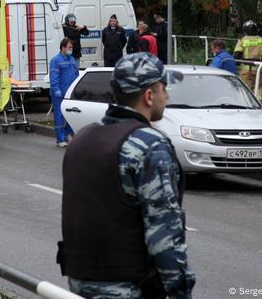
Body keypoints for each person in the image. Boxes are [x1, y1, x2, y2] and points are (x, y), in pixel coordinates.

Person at [58, 52, 195, 298]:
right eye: (164, 88)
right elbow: (164, 234)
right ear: (149, 96)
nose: (168, 95)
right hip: (128, 287)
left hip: (79, 282)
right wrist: (180, 290)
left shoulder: (82, 138)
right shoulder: (149, 145)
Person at [49, 38, 79, 147]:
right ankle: (60, 139)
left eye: (72, 47)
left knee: (73, 116)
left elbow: (76, 75)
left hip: (70, 93)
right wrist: (56, 89)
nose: (71, 49)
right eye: (69, 47)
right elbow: (54, 77)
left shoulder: (72, 59)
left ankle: (66, 133)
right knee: (60, 117)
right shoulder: (56, 60)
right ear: (63, 48)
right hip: (59, 94)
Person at [233, 20, 262, 98]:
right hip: (258, 68)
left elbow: (236, 55)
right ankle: (259, 105)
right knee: (259, 88)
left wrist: (237, 65)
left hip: (245, 70)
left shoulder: (242, 40)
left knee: (245, 90)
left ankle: (247, 106)